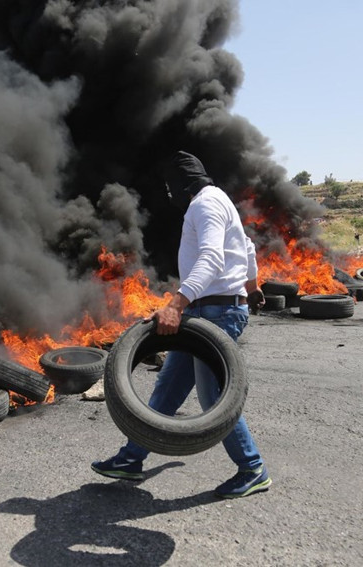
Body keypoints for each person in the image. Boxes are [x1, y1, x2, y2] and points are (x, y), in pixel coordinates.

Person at [91, 151, 271, 499]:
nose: (167, 193)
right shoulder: (220, 201)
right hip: (207, 312)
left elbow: (212, 257)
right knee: (169, 388)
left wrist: (176, 303)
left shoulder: (203, 205)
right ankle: (131, 459)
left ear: (181, 183)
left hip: (215, 313)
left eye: (169, 186)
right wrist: (250, 285)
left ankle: (253, 469)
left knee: (214, 399)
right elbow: (246, 247)